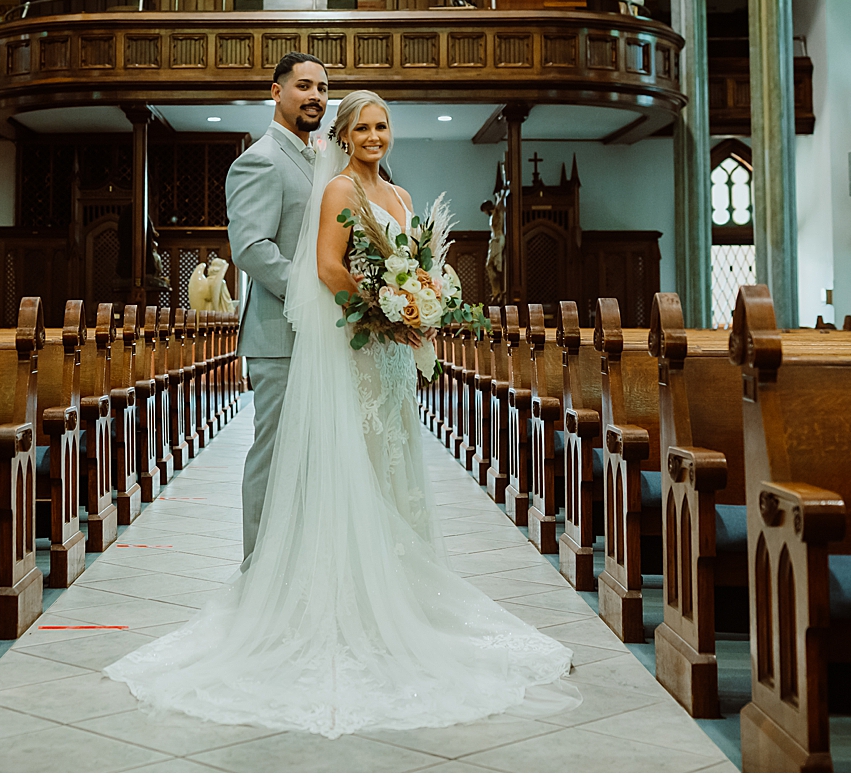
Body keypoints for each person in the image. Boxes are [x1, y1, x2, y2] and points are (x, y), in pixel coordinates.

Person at [105, 91, 577, 738]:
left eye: (383, 125)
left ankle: (401, 600)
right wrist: (387, 304)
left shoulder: (404, 198)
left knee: (391, 468)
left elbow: (419, 265)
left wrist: (421, 302)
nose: (375, 135)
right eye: (363, 127)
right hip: (357, 352)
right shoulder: (338, 193)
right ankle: (345, 606)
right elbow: (328, 267)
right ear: (345, 136)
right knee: (349, 469)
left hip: (391, 357)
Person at [221, 52, 328, 567]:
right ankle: (259, 567)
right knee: (276, 452)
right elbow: (252, 249)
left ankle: (303, 560)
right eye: (304, 86)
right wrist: (316, 294)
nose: (315, 97)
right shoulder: (260, 158)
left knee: (313, 456)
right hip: (279, 335)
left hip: (322, 335)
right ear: (276, 91)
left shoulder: (322, 156)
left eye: (323, 88)